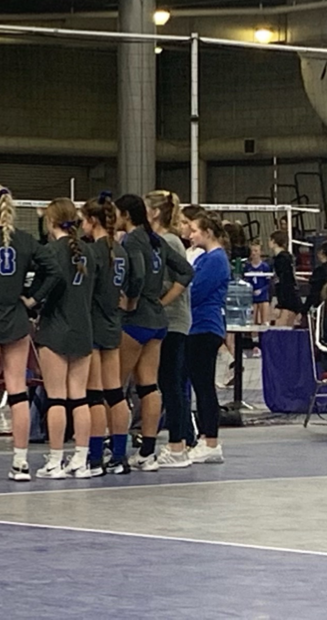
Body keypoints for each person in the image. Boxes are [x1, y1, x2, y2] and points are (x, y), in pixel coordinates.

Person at [0, 185, 59, 482]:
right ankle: (20, 463)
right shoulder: (26, 240)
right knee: (18, 390)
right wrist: (32, 298)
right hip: (16, 319)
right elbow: (53, 270)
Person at [115, 194, 194, 472]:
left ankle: (115, 452)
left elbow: (135, 276)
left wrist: (132, 300)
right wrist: (162, 301)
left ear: (125, 214)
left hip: (136, 320)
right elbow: (185, 271)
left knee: (116, 386)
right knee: (149, 386)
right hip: (159, 322)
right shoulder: (157, 240)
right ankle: (147, 452)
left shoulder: (133, 240)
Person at [34, 197, 95, 479]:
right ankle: (81, 459)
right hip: (84, 328)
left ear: (50, 221)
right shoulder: (90, 252)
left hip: (56, 328)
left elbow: (42, 290)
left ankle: (55, 461)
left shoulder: (49, 252)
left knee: (56, 398)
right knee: (80, 398)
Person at [146, 191, 195, 469]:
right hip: (165, 320)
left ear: (154, 212)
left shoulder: (170, 242)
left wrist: (160, 302)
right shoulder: (159, 240)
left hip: (173, 322)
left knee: (171, 383)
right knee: (167, 383)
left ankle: (178, 444)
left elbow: (180, 279)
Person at [82, 191, 128, 477]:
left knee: (94, 395)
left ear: (92, 221)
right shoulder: (122, 252)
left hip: (95, 325)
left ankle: (96, 457)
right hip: (114, 323)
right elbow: (129, 289)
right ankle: (120, 456)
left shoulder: (93, 252)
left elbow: (85, 292)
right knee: (116, 392)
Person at [182, 213, 231, 465]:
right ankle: (205, 436)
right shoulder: (205, 258)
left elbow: (196, 291)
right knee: (200, 385)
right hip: (196, 326)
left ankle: (211, 440)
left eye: (194, 231)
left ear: (208, 233)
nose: (191, 235)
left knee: (204, 386)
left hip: (205, 327)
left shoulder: (216, 259)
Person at [269, 231, 300, 327]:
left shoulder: (281, 260)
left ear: (274, 242)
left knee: (281, 329)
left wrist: (281, 304)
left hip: (287, 300)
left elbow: (285, 282)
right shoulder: (286, 258)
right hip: (289, 298)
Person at [304, 241, 327, 315]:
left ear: (322, 252)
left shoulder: (319, 271)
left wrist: (304, 309)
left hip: (321, 307)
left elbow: (314, 292)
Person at [244, 242, 272, 326]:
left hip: (263, 296)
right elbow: (246, 281)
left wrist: (261, 290)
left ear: (260, 252)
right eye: (252, 251)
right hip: (252, 297)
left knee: (264, 321)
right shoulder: (248, 267)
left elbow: (269, 282)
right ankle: (254, 338)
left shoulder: (265, 267)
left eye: (256, 251)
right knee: (252, 322)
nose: (253, 253)